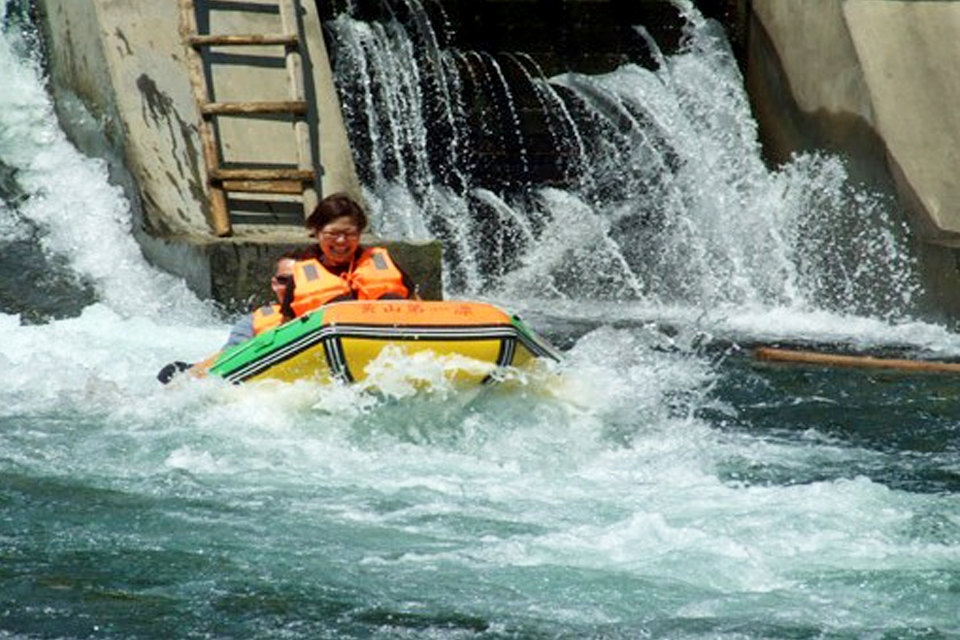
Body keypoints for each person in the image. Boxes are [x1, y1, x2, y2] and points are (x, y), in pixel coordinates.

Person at [288, 192, 417, 316]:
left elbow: (417, 306)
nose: (341, 240)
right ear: (317, 233)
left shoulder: (381, 263)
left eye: (350, 234)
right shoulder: (301, 275)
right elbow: (287, 324)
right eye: (332, 233)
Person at [222, 253, 297, 348]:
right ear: (274, 284)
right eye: (284, 280)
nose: (291, 287)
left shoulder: (321, 316)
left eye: (296, 280)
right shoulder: (250, 324)